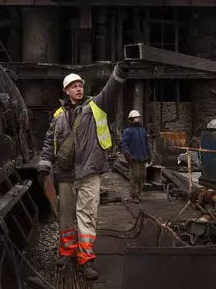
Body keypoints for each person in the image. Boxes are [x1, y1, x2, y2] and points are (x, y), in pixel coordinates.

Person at [37, 62, 128, 280]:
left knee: (87, 217)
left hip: (89, 171)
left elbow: (111, 89)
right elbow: (49, 143)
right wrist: (43, 166)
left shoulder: (96, 106)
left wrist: (120, 72)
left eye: (80, 85)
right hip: (66, 174)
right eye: (74, 86)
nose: (79, 88)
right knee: (66, 217)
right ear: (66, 91)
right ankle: (67, 252)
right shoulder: (58, 115)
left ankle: (86, 260)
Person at [120, 110, 151, 203]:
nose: (138, 119)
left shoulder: (142, 130)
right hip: (133, 158)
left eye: (138, 117)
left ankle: (139, 193)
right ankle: (134, 195)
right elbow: (124, 145)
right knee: (135, 176)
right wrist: (128, 156)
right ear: (131, 119)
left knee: (143, 176)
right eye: (136, 117)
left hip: (142, 157)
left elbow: (146, 144)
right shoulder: (127, 131)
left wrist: (149, 155)